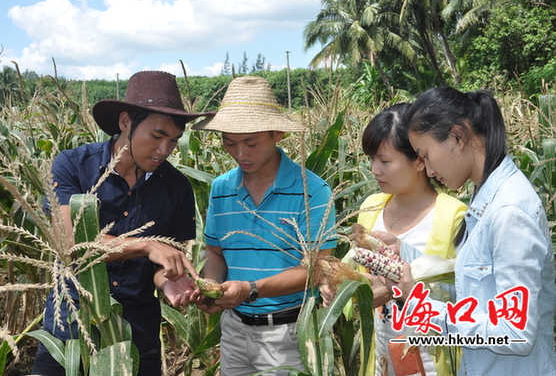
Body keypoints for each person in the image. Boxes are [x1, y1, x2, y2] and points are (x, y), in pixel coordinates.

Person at [31, 70, 214, 376]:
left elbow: (163, 261)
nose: (165, 150)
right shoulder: (73, 165)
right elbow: (69, 244)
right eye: (157, 136)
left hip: (137, 332)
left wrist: (170, 281)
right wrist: (144, 245)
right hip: (72, 323)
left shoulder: (177, 186)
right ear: (126, 121)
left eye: (173, 140)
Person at [386, 87, 556, 376]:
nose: (426, 170)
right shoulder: (485, 197)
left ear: (457, 137)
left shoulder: (508, 212)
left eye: (425, 155)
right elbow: (477, 292)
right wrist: (404, 252)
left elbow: (516, 333)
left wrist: (420, 306)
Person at [191, 76, 337, 376]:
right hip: (234, 330)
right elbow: (215, 252)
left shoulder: (313, 191)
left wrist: (252, 289)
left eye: (251, 143)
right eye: (229, 143)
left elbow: (317, 268)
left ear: (278, 134)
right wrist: (214, 287)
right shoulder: (221, 189)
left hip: (289, 334)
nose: (240, 154)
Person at [321, 103, 467, 376]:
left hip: (433, 361)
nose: (375, 170)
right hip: (381, 359)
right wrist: (337, 288)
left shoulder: (453, 216)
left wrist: (396, 289)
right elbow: (359, 276)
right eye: (371, 159)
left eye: (385, 161)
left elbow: (467, 294)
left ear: (420, 160)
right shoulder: (370, 207)